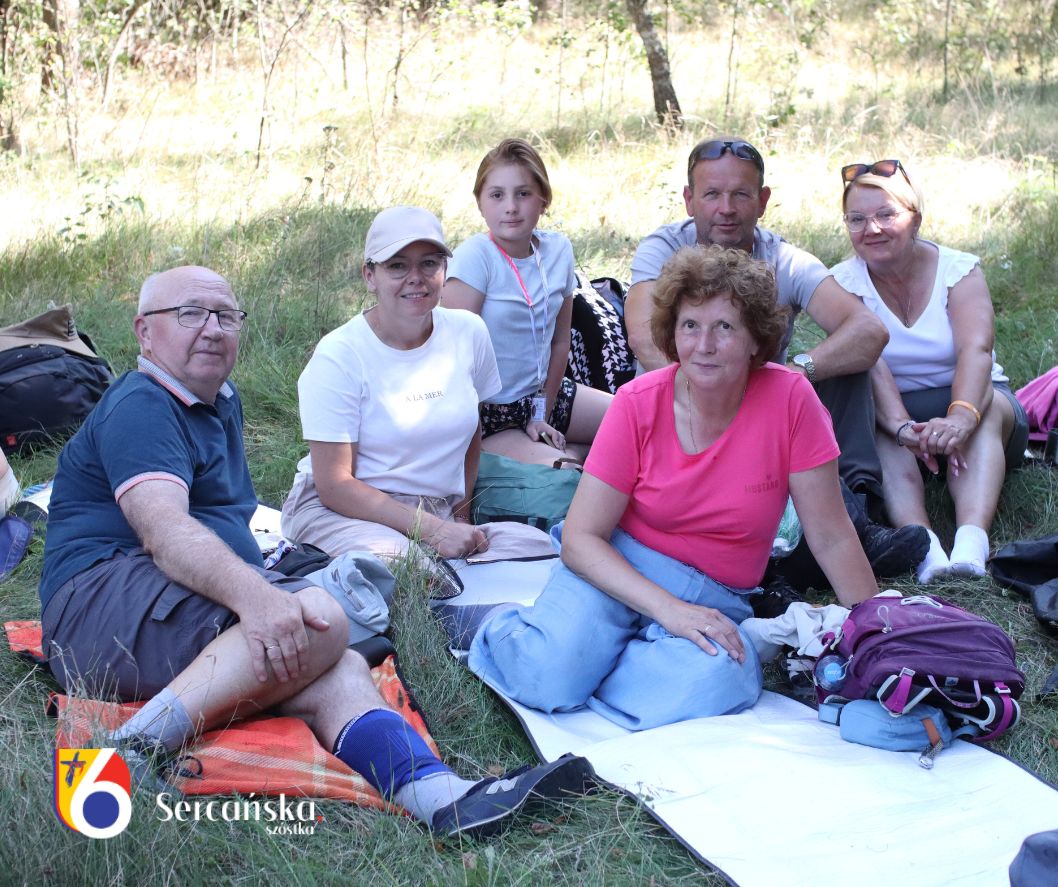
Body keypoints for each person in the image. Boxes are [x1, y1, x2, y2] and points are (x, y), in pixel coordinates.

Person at [38, 265, 593, 837]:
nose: (212, 329)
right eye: (190, 314)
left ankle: (443, 799)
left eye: (225, 316)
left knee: (336, 658)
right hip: (99, 605)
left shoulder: (217, 399)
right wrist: (259, 598)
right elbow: (165, 533)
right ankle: (126, 750)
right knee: (316, 621)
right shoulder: (144, 404)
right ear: (144, 332)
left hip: (164, 600)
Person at [468, 246, 879, 730]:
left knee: (720, 678)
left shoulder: (791, 400)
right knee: (545, 680)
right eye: (690, 326)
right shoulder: (637, 403)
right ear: (672, 332)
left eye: (724, 327)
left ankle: (590, 659)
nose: (704, 345)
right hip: (617, 569)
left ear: (756, 339)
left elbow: (832, 536)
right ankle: (507, 630)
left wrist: (876, 636)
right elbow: (580, 539)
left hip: (715, 592)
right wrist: (669, 611)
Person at [624, 136, 929, 586]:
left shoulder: (784, 259)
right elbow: (645, 338)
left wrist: (797, 371)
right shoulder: (661, 250)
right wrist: (722, 392)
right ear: (689, 200)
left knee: (848, 365)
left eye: (741, 194)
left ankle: (860, 512)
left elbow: (868, 331)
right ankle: (818, 549)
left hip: (769, 423)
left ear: (763, 201)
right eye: (712, 194)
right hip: (684, 416)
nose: (726, 208)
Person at [832, 159, 1030, 582]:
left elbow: (976, 351)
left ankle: (971, 544)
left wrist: (960, 417)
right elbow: (871, 366)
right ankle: (925, 547)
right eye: (857, 219)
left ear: (915, 218)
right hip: (895, 411)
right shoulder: (841, 283)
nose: (872, 228)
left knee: (986, 413)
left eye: (886, 214)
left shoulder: (958, 270)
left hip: (977, 400)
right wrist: (902, 426)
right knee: (876, 427)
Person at [280, 206, 501, 562]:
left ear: (445, 270)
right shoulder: (339, 355)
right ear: (370, 276)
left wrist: (461, 517)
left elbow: (470, 431)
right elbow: (335, 485)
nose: (416, 278)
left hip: (433, 509)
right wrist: (434, 530)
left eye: (429, 263)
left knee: (539, 549)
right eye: (397, 266)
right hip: (341, 509)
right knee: (407, 569)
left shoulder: (469, 332)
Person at [443, 138, 612, 465]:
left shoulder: (558, 250)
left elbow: (560, 341)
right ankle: (567, 455)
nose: (511, 206)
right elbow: (453, 360)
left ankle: (568, 450)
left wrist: (540, 413)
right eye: (497, 195)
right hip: (490, 414)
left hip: (543, 397)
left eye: (523, 193)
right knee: (567, 475)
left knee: (641, 421)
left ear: (543, 199)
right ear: (480, 203)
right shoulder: (475, 259)